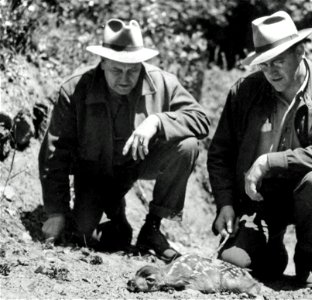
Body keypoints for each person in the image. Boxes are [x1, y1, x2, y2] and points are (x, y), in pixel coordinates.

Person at [39, 18, 210, 262]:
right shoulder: (76, 89)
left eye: (133, 70)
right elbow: (55, 152)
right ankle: (115, 214)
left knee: (187, 146)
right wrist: (56, 211)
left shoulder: (163, 82)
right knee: (88, 237)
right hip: (94, 173)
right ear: (103, 63)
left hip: (139, 163)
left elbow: (201, 119)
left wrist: (158, 122)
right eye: (116, 70)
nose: (124, 78)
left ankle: (152, 228)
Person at [207, 11, 312, 288]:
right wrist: (225, 203)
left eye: (278, 61)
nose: (271, 71)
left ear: (300, 51)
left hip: (308, 190)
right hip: (259, 198)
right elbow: (220, 153)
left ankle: (305, 255)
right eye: (264, 64)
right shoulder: (245, 91)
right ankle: (271, 245)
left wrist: (269, 160)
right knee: (233, 262)